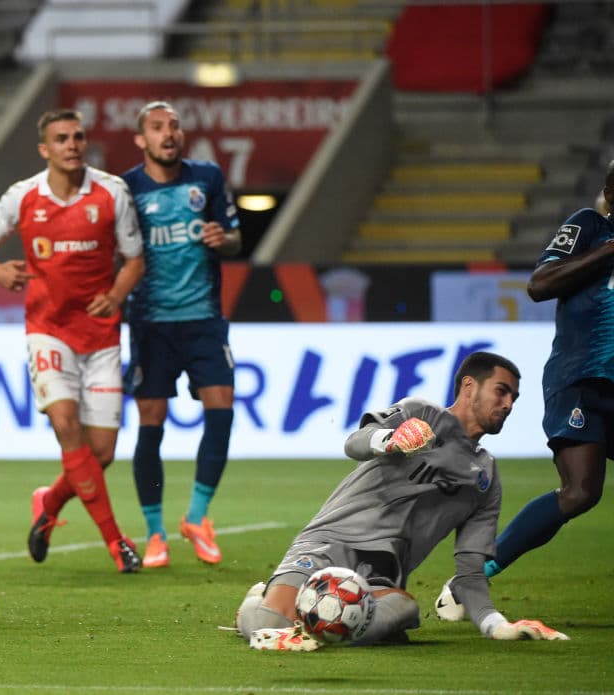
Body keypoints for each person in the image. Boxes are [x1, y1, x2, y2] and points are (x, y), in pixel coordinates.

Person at [234, 351, 569, 651]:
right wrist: (390, 439)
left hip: (381, 569)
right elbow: (355, 443)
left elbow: (469, 574)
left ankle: (315, 628)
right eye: (501, 391)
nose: (508, 404)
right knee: (268, 624)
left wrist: (497, 625)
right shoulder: (423, 414)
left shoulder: (485, 477)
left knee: (405, 609)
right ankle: (255, 606)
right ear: (469, 387)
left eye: (514, 397)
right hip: (329, 541)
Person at [0, 108, 146, 573]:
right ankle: (116, 542)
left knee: (101, 453)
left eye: (78, 137)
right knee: (67, 426)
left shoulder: (112, 192)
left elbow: (133, 259)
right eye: (62, 138)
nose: (72, 145)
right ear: (45, 149)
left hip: (102, 338)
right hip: (48, 332)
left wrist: (116, 293)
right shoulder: (22, 196)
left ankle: (49, 503)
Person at [435, 166, 614, 618]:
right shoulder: (590, 227)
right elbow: (539, 284)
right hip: (582, 377)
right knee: (580, 492)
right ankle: (474, 576)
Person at [120, 101, 241, 568]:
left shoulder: (206, 178)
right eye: (157, 127)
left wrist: (221, 239)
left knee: (222, 410)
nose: (168, 133)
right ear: (141, 139)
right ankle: (154, 534)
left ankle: (197, 516)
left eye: (174, 126)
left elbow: (234, 238)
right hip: (150, 323)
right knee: (152, 424)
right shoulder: (126, 188)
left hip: (204, 319)